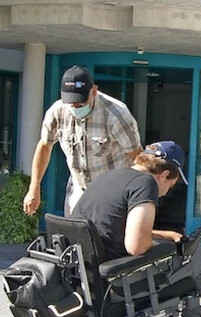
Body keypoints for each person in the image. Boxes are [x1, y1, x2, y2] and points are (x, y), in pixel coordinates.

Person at [71, 141, 201, 292]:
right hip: (117, 281)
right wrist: (165, 247)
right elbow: (136, 246)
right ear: (164, 175)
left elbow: (111, 227)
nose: (165, 193)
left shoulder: (107, 176)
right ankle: (193, 316)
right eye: (170, 186)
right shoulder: (146, 183)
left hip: (83, 276)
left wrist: (165, 235)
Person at [23, 65, 143, 217]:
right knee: (74, 237)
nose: (74, 107)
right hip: (78, 190)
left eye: (80, 103)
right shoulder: (57, 111)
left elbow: (138, 159)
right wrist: (34, 187)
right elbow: (45, 146)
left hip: (114, 194)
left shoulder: (117, 115)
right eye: (70, 103)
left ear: (94, 91)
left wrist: (137, 199)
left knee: (106, 240)